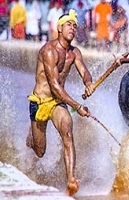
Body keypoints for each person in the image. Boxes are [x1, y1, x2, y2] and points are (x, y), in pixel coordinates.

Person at [26, 9, 95, 196]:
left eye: (75, 25)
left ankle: (71, 179)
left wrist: (88, 83)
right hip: (40, 102)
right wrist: (78, 106)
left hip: (57, 103)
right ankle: (31, 136)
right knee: (40, 151)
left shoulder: (75, 52)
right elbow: (55, 86)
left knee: (67, 129)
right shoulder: (49, 51)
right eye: (68, 25)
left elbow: (84, 71)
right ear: (59, 28)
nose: (72, 28)